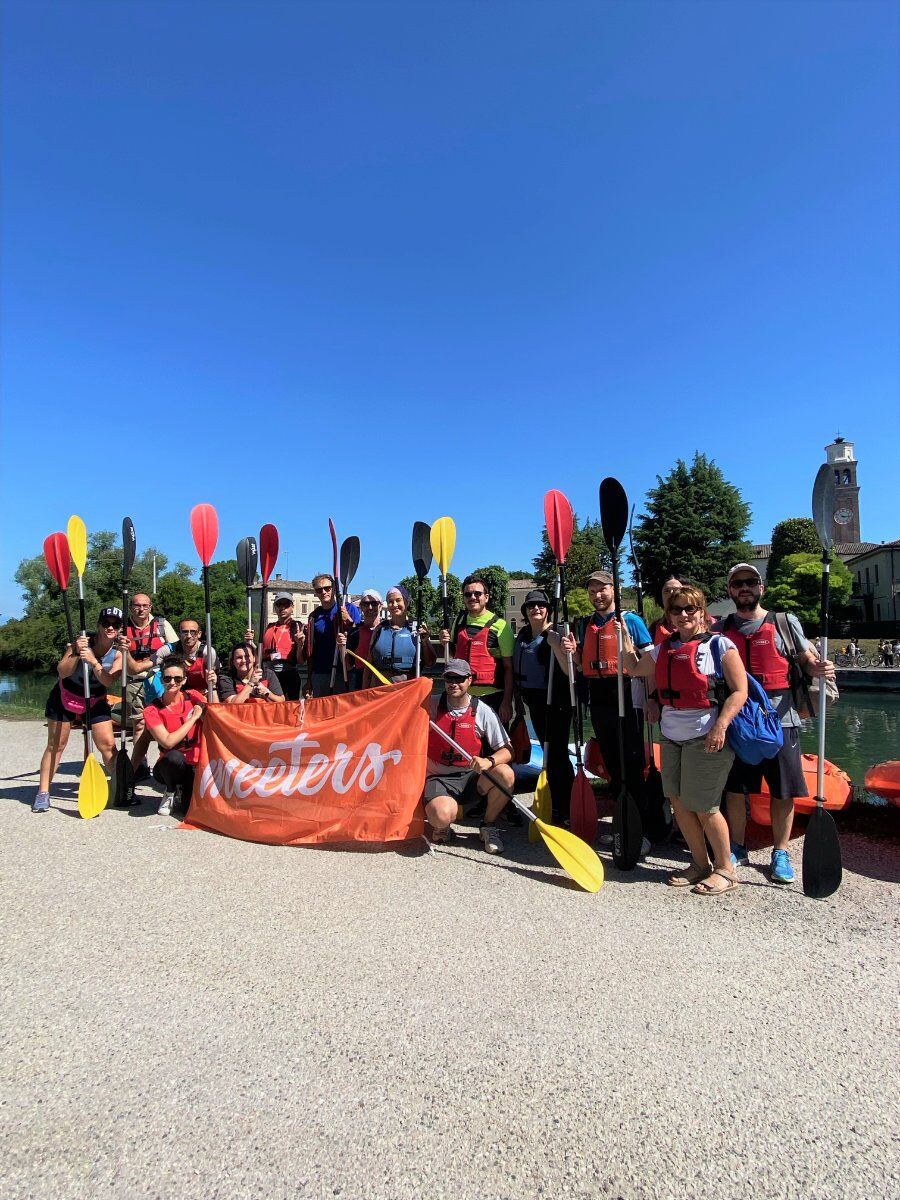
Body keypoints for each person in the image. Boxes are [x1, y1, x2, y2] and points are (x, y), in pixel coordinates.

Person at [622, 586, 748, 894]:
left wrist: (721, 725)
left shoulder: (720, 646)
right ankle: (700, 864)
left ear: (702, 612)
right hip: (671, 735)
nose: (683, 615)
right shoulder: (662, 649)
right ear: (669, 616)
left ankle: (725, 870)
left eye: (690, 609)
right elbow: (633, 667)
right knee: (679, 803)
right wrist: (623, 634)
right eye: (676, 610)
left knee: (704, 805)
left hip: (706, 735)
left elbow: (739, 691)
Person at [716, 562, 836, 884]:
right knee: (735, 788)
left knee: (783, 790)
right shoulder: (720, 629)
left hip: (780, 719)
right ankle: (737, 847)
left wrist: (817, 668)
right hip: (740, 722)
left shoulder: (784, 622)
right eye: (738, 583)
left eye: (750, 582)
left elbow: (805, 659)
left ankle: (780, 852)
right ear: (730, 590)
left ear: (761, 588)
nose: (744, 588)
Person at [571, 570, 653, 850]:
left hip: (627, 691)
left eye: (602, 589)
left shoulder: (630, 620)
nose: (597, 595)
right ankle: (622, 823)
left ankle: (641, 829)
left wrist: (651, 698)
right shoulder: (585, 625)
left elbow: (649, 660)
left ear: (614, 590)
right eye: (592, 591)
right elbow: (582, 666)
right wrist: (571, 651)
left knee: (631, 762)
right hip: (600, 694)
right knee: (612, 763)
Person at [33, 607, 125, 812]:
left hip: (96, 699)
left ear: (120, 629)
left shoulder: (119, 653)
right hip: (65, 696)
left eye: (115, 624)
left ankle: (120, 788)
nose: (110, 627)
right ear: (99, 625)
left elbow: (108, 680)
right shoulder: (82, 641)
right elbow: (62, 671)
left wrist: (92, 661)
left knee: (109, 745)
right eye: (106, 623)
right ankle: (43, 793)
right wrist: (76, 651)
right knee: (56, 745)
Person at [423, 658, 515, 854]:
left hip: (471, 777)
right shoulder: (429, 705)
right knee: (440, 816)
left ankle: (488, 825)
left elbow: (508, 750)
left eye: (459, 678)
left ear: (470, 680)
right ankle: (444, 824)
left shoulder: (482, 710)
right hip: (439, 776)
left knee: (506, 774)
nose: (454, 683)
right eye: (449, 678)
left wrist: (488, 761)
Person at [512, 588, 574, 823]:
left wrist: (558, 645)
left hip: (556, 703)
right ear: (525, 611)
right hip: (534, 702)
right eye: (531, 606)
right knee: (549, 753)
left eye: (541, 605)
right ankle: (555, 802)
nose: (536, 609)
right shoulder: (524, 635)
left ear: (548, 610)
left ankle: (564, 806)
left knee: (557, 754)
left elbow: (570, 672)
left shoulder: (556, 634)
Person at [128, 618, 218, 778]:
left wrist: (210, 690)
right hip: (175, 697)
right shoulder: (167, 650)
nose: (189, 636)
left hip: (198, 698)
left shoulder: (207, 652)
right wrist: (124, 653)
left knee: (211, 727)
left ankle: (208, 769)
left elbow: (212, 686)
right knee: (146, 733)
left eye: (193, 632)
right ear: (179, 634)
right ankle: (130, 774)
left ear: (199, 634)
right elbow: (137, 668)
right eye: (184, 632)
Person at [439, 574, 515, 724]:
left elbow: (508, 668)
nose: (472, 597)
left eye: (477, 593)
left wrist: (507, 702)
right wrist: (444, 643)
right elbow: (453, 658)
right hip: (463, 697)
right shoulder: (458, 623)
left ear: (486, 597)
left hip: (493, 697)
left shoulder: (501, 626)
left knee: (493, 747)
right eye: (468, 594)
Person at [120, 594, 176, 777]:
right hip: (135, 681)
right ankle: (140, 765)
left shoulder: (161, 625)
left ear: (150, 607)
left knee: (167, 722)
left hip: (159, 680)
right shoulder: (123, 628)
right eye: (137, 606)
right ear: (131, 607)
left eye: (145, 606)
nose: (141, 609)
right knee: (139, 725)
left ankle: (166, 759)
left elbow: (176, 648)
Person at [143, 654, 206, 816]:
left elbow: (215, 710)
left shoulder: (193, 696)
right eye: (167, 678)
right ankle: (170, 790)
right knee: (174, 757)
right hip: (169, 765)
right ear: (161, 679)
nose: (172, 682)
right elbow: (167, 742)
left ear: (184, 680)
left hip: (195, 763)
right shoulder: (152, 710)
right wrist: (193, 719)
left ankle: (183, 792)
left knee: (187, 811)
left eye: (177, 679)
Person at [303, 574, 361, 697]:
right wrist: (309, 680)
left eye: (327, 588)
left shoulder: (349, 609)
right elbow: (311, 651)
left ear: (334, 589)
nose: (323, 592)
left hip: (344, 671)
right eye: (319, 590)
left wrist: (348, 620)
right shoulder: (314, 616)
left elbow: (357, 638)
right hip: (320, 673)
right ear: (315, 592)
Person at [367, 585, 436, 684]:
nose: (394, 604)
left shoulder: (418, 628)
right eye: (390, 601)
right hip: (380, 689)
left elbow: (430, 663)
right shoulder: (379, 629)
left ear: (406, 602)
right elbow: (369, 664)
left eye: (398, 600)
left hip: (407, 689)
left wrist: (425, 641)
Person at [256, 592, 306, 700]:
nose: (282, 608)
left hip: (289, 673)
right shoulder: (269, 627)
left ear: (292, 607)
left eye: (286, 605)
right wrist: (249, 641)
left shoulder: (297, 627)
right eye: (279, 605)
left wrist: (300, 644)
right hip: (269, 673)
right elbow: (258, 655)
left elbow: (301, 661)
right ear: (275, 607)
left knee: (290, 707)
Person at [216, 643, 284, 704]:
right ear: (233, 661)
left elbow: (282, 702)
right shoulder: (226, 679)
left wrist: (267, 693)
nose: (244, 660)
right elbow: (233, 705)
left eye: (247, 656)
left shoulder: (268, 674)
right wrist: (251, 683)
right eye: (239, 657)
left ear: (254, 659)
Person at [341, 589, 382, 690]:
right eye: (366, 604)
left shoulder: (387, 630)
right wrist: (341, 647)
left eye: (374, 603)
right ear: (361, 607)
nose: (370, 607)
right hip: (359, 681)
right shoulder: (354, 633)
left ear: (380, 606)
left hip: (381, 679)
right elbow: (348, 665)